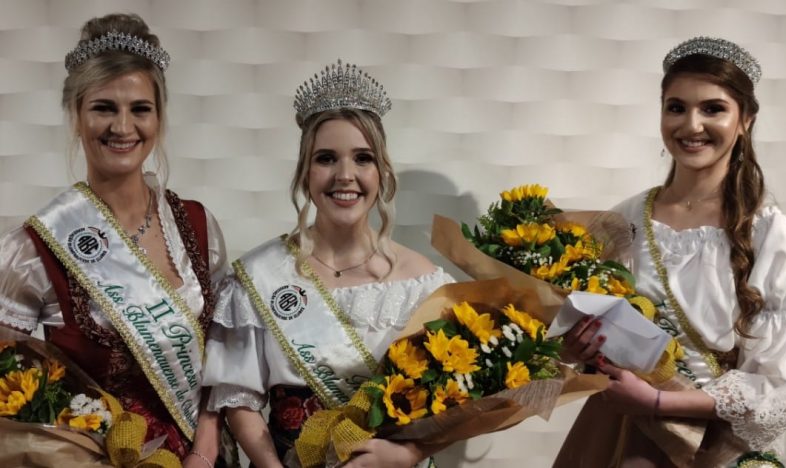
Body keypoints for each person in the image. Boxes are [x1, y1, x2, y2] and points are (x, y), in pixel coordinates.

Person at [0, 13, 234, 465]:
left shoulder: (199, 227)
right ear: (76, 115)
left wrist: (205, 450)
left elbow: (226, 355)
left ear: (159, 118)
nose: (123, 127)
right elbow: (11, 392)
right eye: (104, 107)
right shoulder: (33, 249)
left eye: (139, 109)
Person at [555, 37, 786, 467]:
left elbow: (778, 386)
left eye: (713, 108)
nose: (691, 125)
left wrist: (658, 401)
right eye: (676, 107)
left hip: (720, 447)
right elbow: (596, 325)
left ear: (746, 119)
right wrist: (578, 347)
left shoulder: (773, 235)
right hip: (626, 433)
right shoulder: (622, 220)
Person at [202, 60, 454, 467]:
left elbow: (453, 402)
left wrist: (408, 453)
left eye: (362, 158)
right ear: (305, 173)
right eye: (326, 158)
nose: (345, 175)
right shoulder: (260, 276)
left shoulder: (422, 283)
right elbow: (241, 401)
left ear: (382, 171)